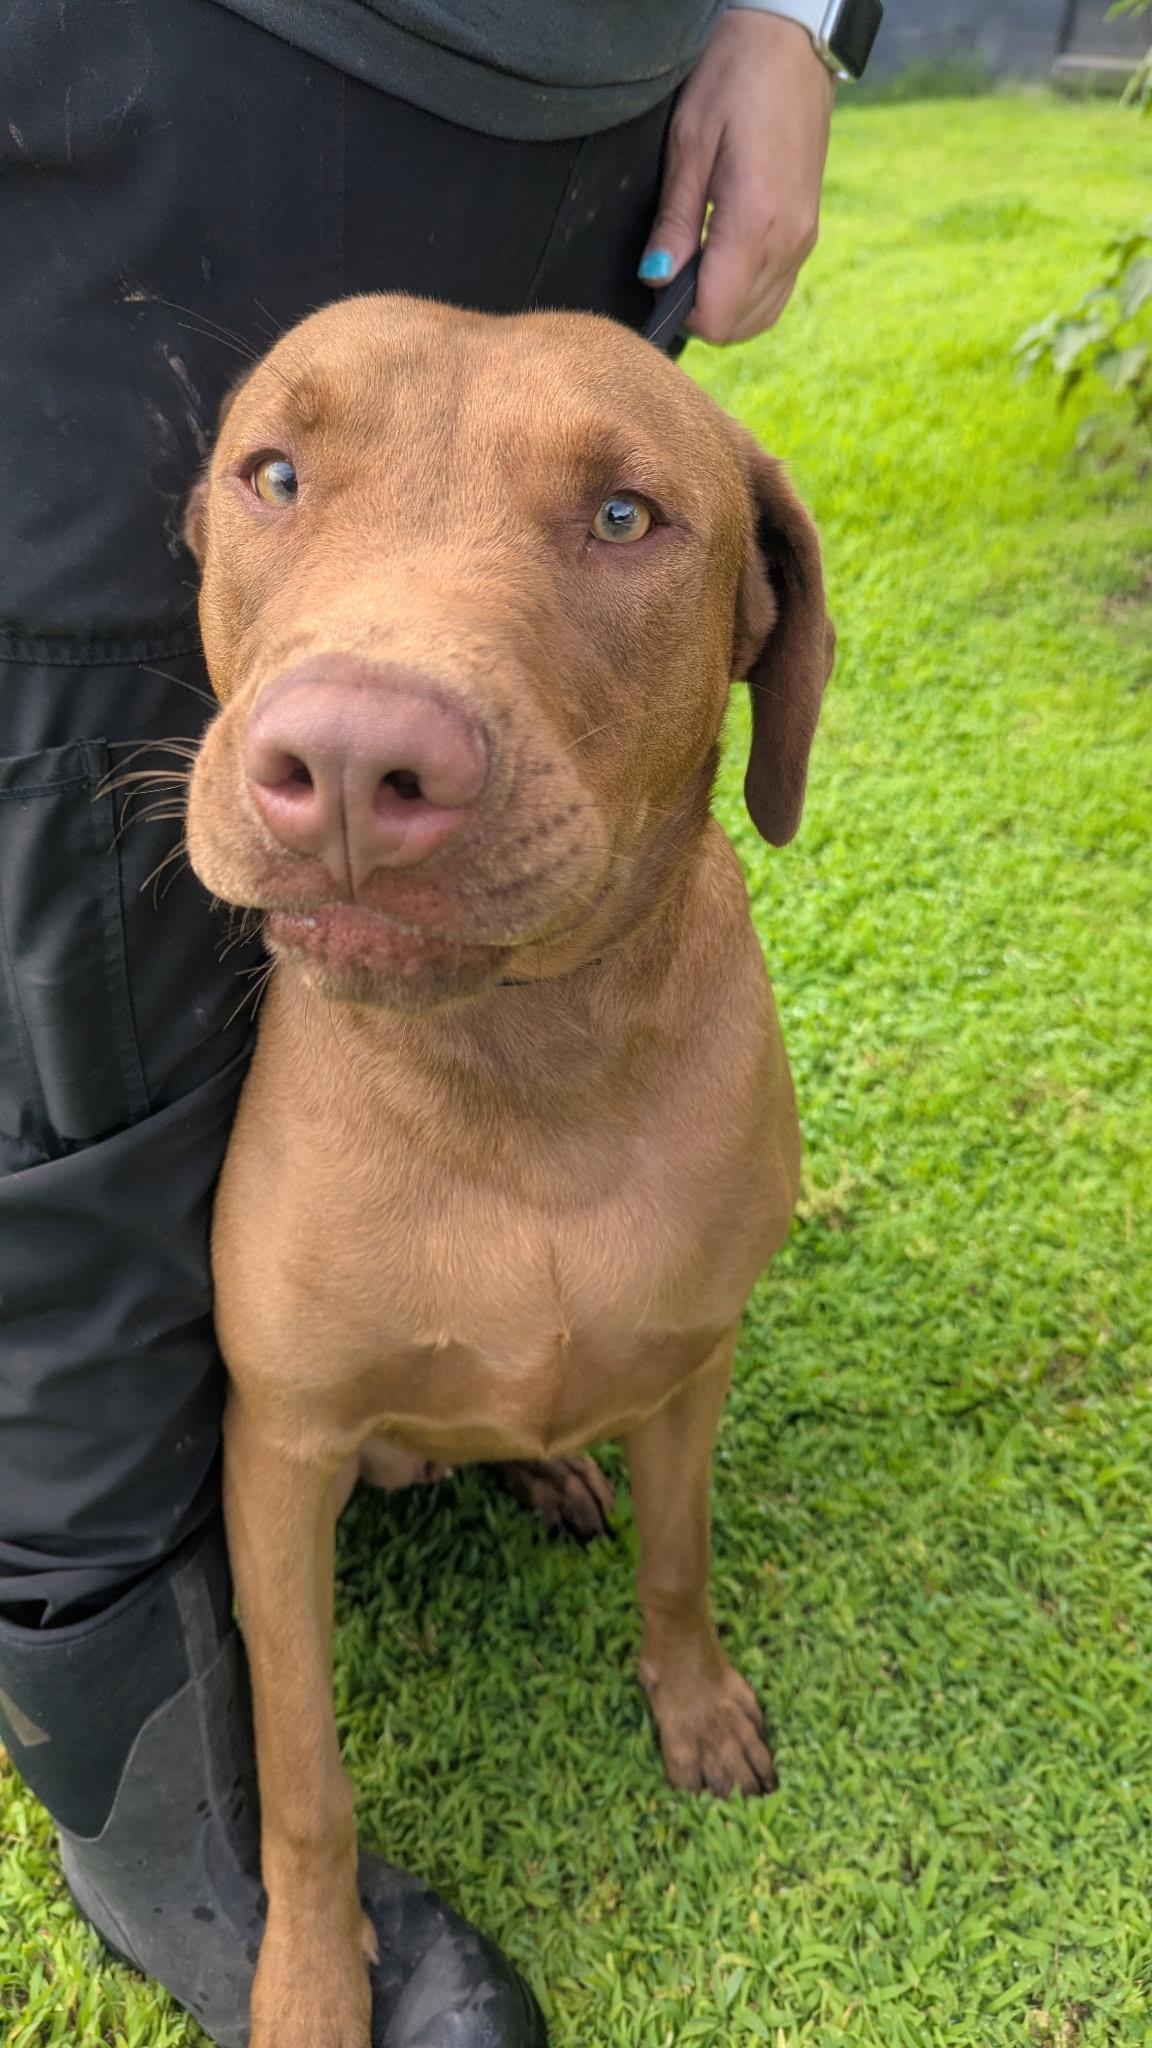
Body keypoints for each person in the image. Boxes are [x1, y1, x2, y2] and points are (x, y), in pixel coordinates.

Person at [0, 4, 846, 2042]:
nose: (364, 722)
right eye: (280, 477)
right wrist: (321, 1897)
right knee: (102, 1130)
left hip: (574, 83)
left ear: (766, 652)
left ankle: (653, 1602)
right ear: (203, 543)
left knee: (680, 1329)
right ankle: (155, 1726)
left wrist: (797, 11)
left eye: (623, 521)